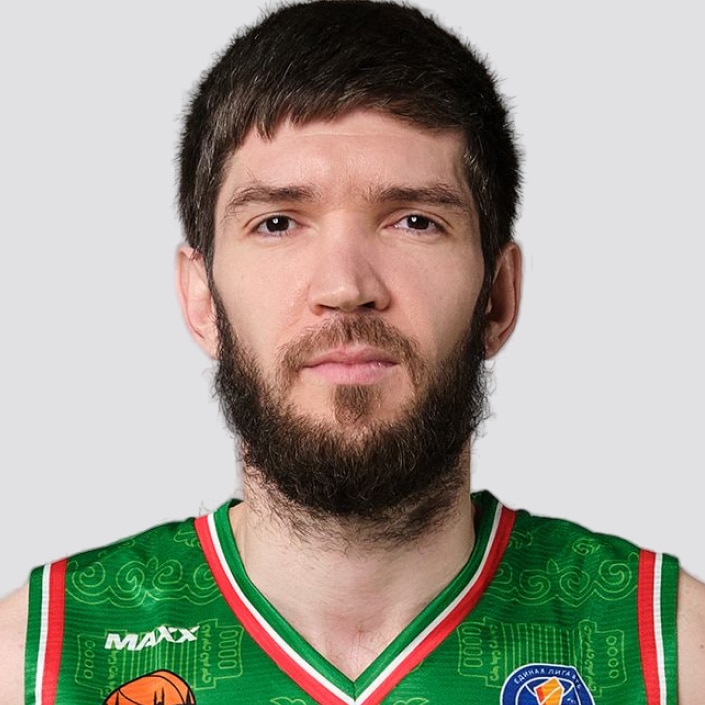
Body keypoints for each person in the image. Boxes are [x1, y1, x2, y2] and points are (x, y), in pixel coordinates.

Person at [1, 0, 704, 702]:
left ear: (497, 296)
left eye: (414, 221)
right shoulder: (31, 665)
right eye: (278, 222)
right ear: (202, 299)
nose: (345, 287)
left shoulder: (673, 653)